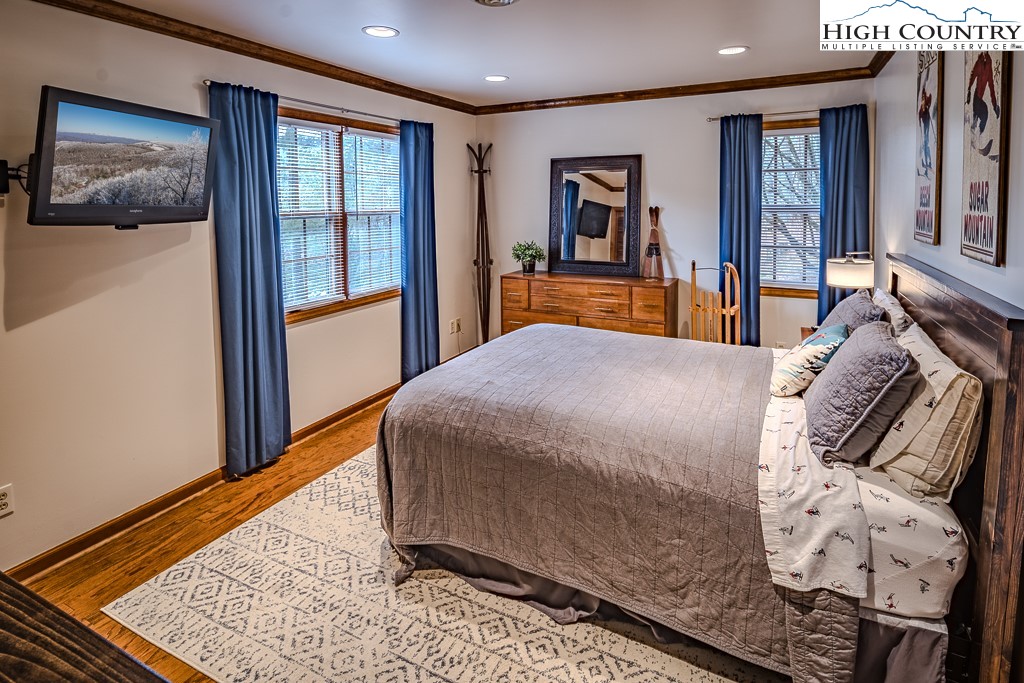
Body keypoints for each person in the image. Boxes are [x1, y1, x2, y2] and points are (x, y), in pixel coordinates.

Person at [967, 52, 1000, 145]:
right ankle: (975, 137)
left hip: (979, 98)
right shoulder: (979, 62)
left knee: (983, 114)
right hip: (976, 96)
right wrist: (969, 89)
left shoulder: (989, 65)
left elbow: (991, 87)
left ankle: (977, 137)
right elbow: (972, 75)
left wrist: (994, 105)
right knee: (981, 114)